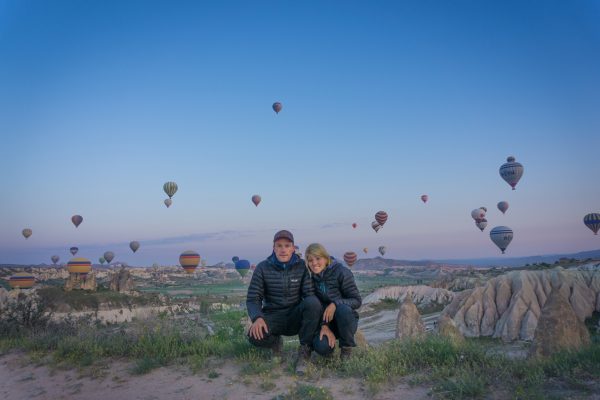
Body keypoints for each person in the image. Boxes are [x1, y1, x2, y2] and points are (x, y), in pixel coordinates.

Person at [246, 230, 322, 374]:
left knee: (313, 303)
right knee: (254, 336)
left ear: (293, 248)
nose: (283, 250)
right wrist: (257, 317)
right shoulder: (262, 267)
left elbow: (309, 295)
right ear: (273, 248)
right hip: (273, 316)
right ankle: (275, 343)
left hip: (295, 315)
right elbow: (253, 298)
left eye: (287, 246)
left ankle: (304, 353)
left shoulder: (302, 266)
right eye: (279, 246)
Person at [304, 243, 362, 361]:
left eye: (318, 258)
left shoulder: (341, 272)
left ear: (326, 258)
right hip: (326, 322)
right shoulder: (311, 278)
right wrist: (324, 326)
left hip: (345, 321)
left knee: (342, 309)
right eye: (310, 260)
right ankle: (329, 352)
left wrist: (335, 304)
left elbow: (356, 301)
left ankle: (346, 350)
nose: (314, 263)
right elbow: (316, 307)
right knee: (322, 347)